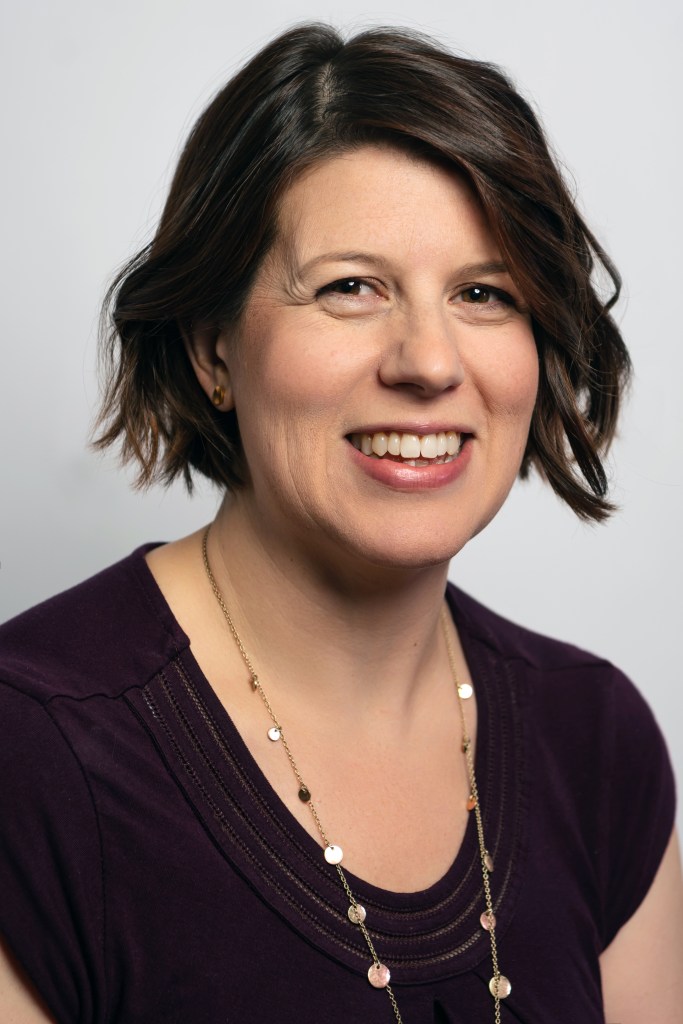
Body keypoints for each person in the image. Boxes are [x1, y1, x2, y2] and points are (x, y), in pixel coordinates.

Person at [0, 22, 681, 1024]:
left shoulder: (596, 741)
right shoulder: (32, 751)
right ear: (212, 349)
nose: (428, 362)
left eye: (483, 292)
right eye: (350, 287)